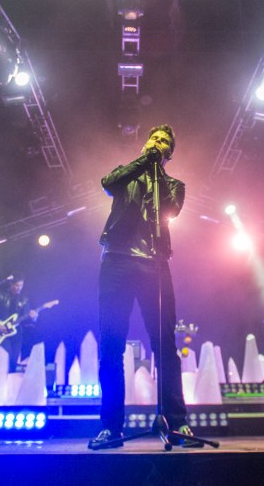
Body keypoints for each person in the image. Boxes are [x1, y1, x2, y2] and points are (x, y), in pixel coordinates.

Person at [88, 124, 195, 450]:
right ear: (146, 143)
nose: (158, 143)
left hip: (155, 266)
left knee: (165, 346)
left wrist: (157, 169)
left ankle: (177, 424)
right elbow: (108, 184)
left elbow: (171, 209)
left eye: (164, 142)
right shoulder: (127, 174)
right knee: (111, 346)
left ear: (169, 154)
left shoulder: (174, 184)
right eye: (155, 139)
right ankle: (111, 427)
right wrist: (144, 161)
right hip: (117, 262)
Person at [0, 276, 38, 371]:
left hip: (16, 332)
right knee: (2, 356)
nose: (18, 288)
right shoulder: (1, 295)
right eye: (16, 285)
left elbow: (26, 319)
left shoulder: (24, 299)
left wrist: (33, 317)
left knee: (13, 358)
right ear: (11, 284)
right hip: (0, 331)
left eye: (21, 285)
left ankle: (10, 376)